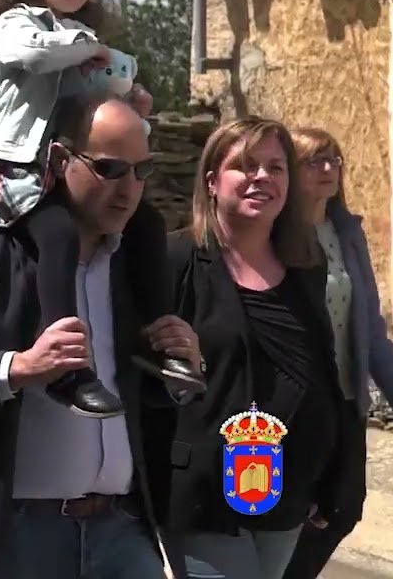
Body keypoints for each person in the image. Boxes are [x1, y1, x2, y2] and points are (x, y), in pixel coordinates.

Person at [0, 98, 195, 578]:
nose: (128, 189)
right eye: (110, 169)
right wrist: (19, 367)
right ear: (59, 159)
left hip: (121, 530)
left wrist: (179, 364)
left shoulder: (135, 261)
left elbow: (142, 396)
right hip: (16, 536)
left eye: (142, 171)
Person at [0, 0, 202, 420]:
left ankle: (159, 343)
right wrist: (88, 49)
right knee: (58, 235)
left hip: (55, 166)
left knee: (147, 224)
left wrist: (131, 102)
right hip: (11, 169)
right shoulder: (19, 24)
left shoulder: (77, 38)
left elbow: (94, 105)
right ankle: (67, 365)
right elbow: (33, 55)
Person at [160, 117, 346, 578]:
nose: (262, 177)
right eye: (245, 165)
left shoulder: (306, 263)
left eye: (275, 168)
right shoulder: (177, 259)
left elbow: (322, 371)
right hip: (207, 492)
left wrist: (332, 473)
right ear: (212, 181)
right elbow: (140, 365)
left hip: (287, 487)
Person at [282, 127, 393, 578]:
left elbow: (371, 328)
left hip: (348, 400)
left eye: (334, 159)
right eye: (314, 160)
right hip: (301, 405)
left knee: (345, 508)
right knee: (297, 512)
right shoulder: (277, 235)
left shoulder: (346, 232)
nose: (328, 168)